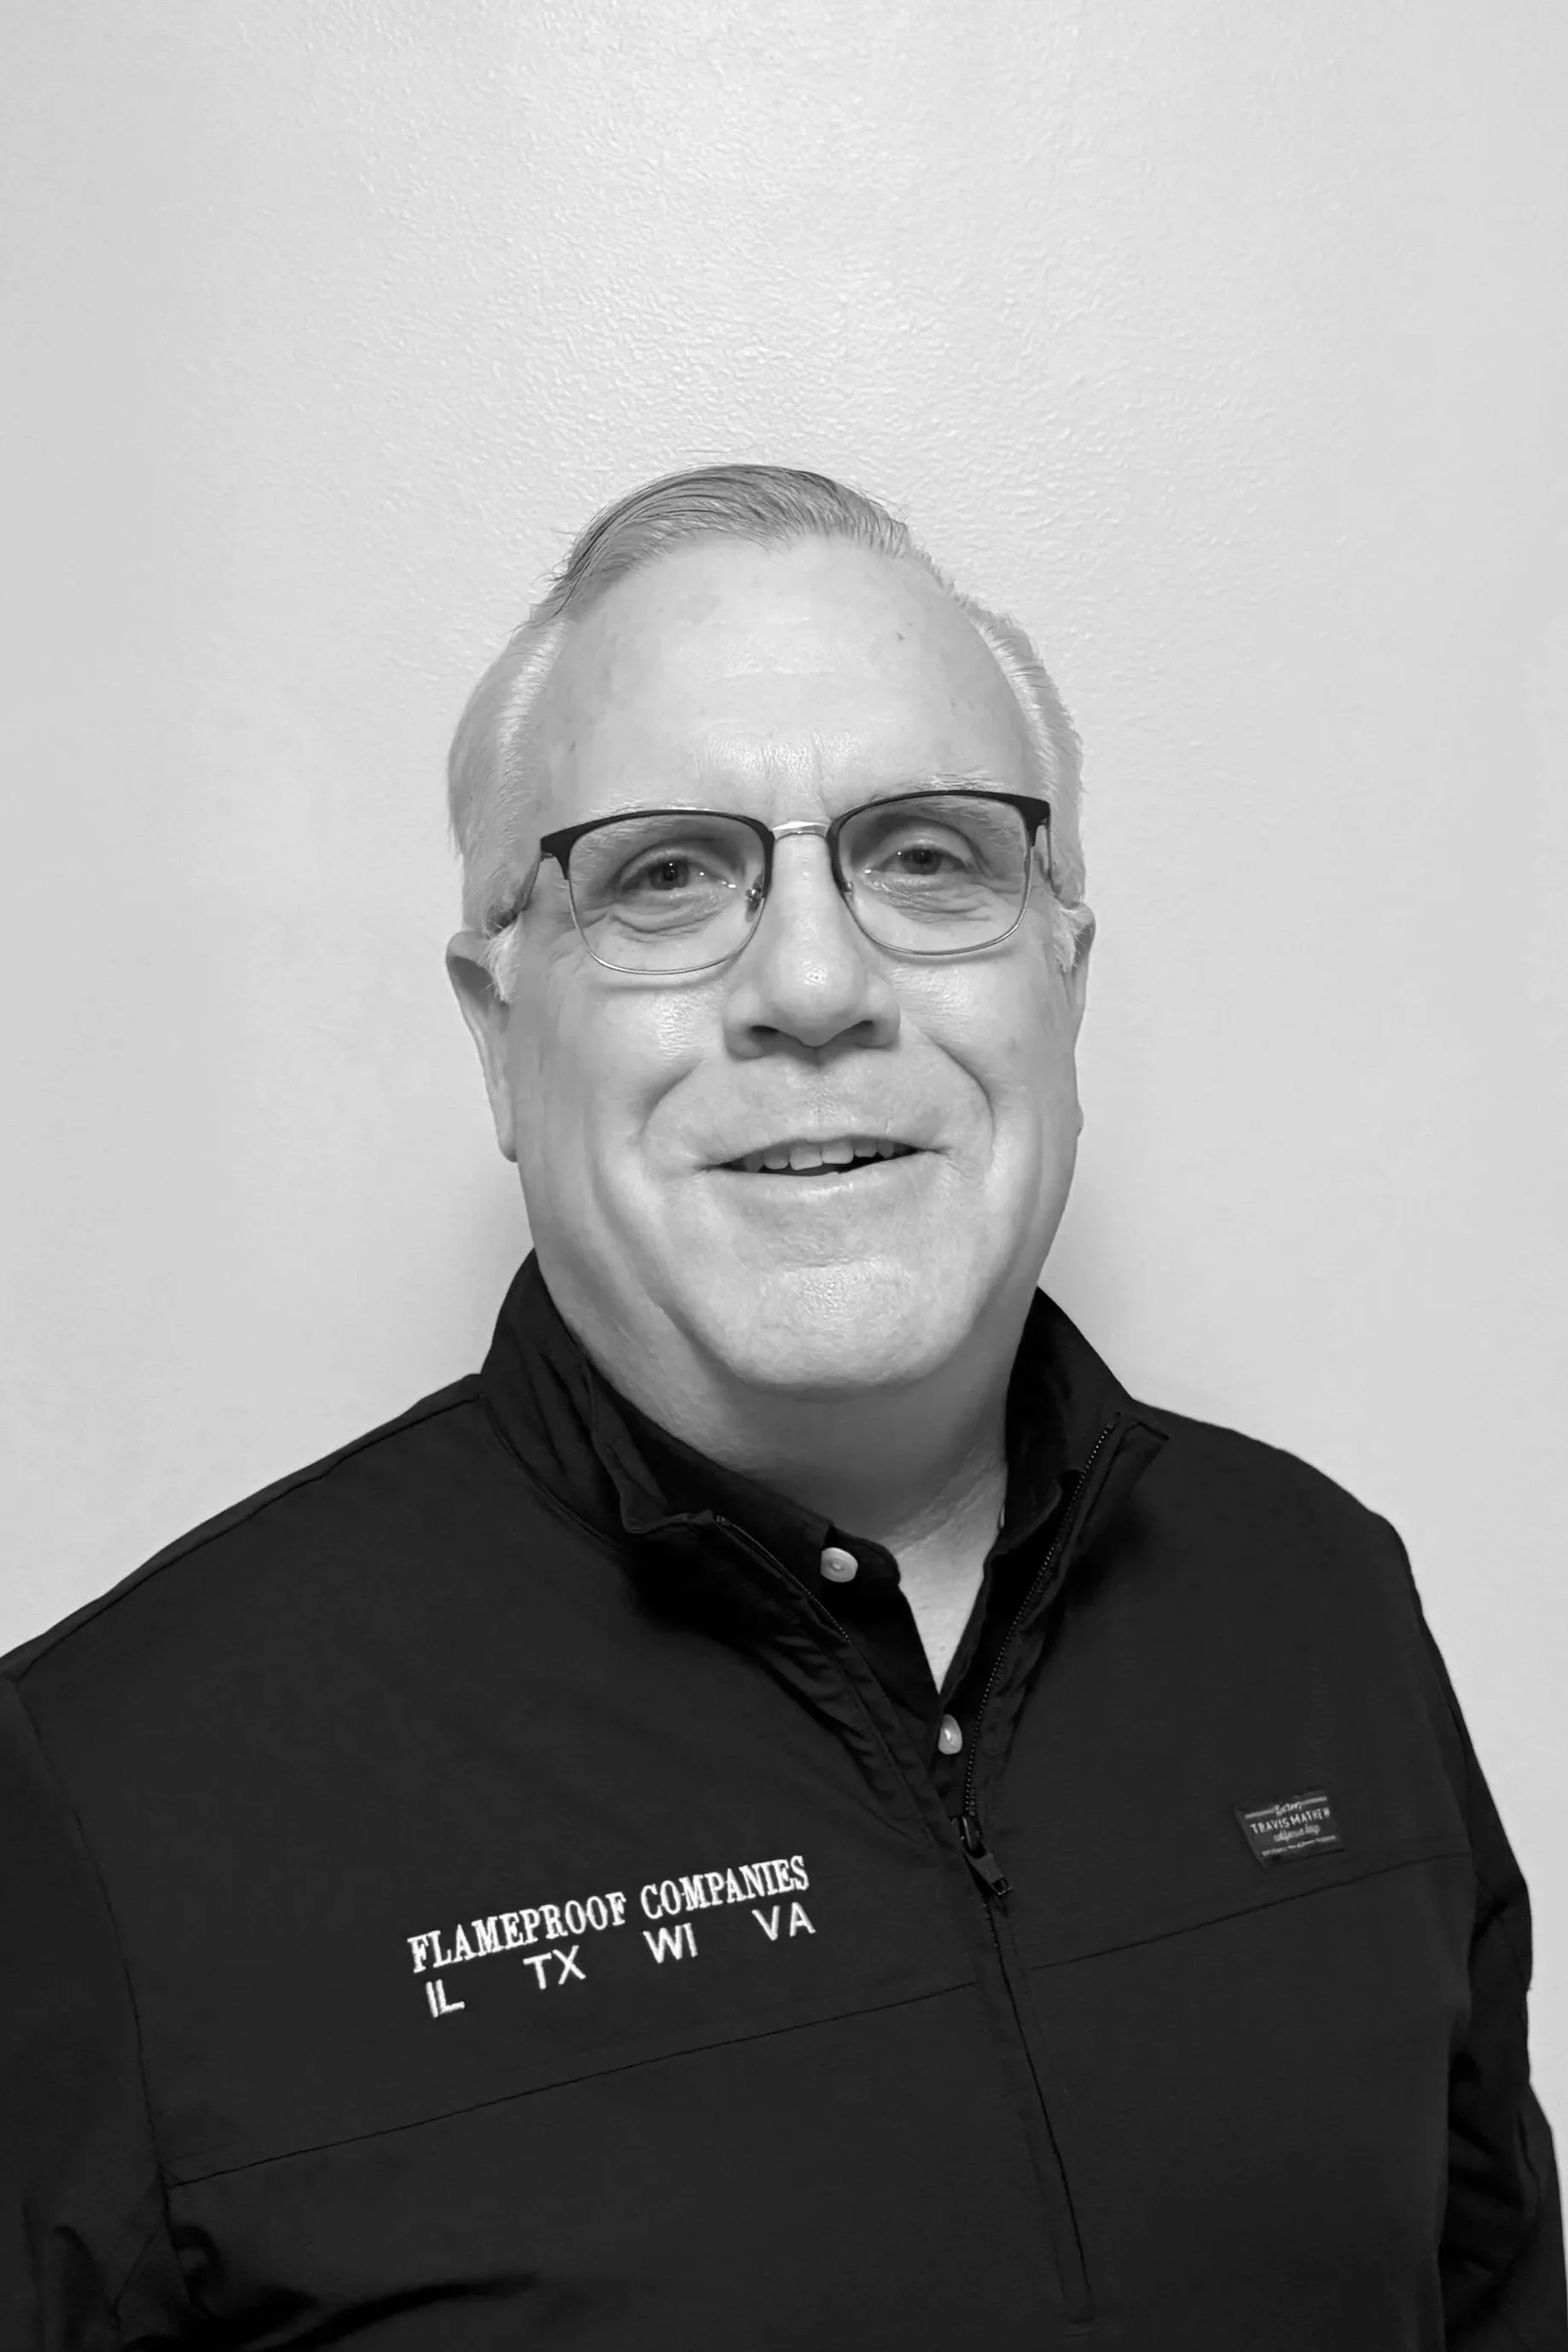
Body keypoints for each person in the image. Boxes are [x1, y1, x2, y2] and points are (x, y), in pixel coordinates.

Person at [2, 463, 1561, 2352]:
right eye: (664, 875)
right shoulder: (95, 1803)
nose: (814, 984)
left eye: (927, 857)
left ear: (1063, 981)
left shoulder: (1314, 1598)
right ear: (499, 1034)